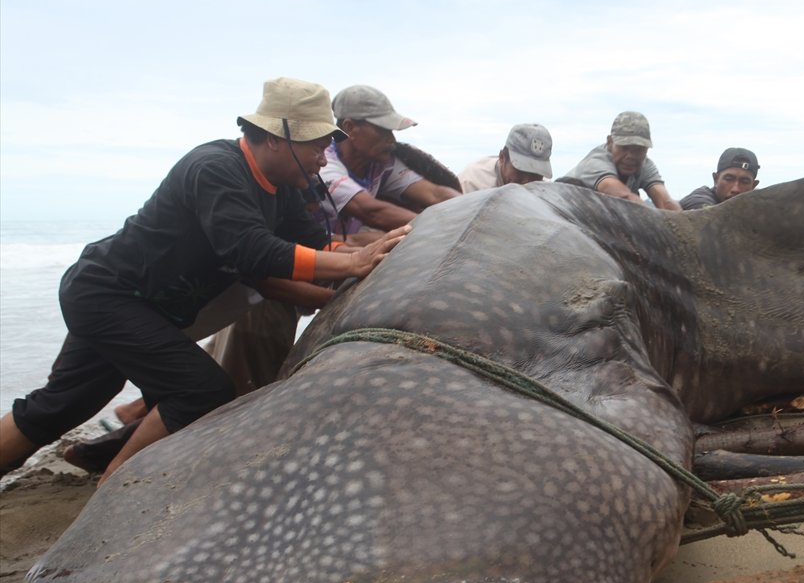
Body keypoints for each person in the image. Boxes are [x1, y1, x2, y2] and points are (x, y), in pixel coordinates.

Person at [0, 77, 406, 483]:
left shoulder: (282, 190)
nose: (323, 158)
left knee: (59, 406)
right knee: (201, 390)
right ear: (277, 139)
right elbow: (250, 249)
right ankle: (118, 483)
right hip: (108, 293)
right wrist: (353, 265)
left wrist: (379, 256)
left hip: (133, 303)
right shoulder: (215, 167)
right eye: (316, 146)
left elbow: (317, 244)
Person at [317, 84, 461, 237]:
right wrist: (444, 228)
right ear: (350, 127)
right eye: (382, 130)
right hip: (310, 252)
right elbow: (372, 211)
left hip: (339, 250)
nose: (391, 139)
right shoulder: (325, 165)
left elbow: (435, 194)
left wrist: (471, 207)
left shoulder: (380, 164)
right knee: (374, 240)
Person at [558, 111, 681, 210]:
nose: (631, 156)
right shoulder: (596, 162)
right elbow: (620, 194)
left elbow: (665, 202)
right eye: (625, 147)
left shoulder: (645, 165)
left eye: (638, 149)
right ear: (610, 142)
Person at [458, 124, 554, 193]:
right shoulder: (471, 183)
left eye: (535, 174)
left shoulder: (545, 190)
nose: (527, 181)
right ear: (502, 158)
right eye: (520, 171)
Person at [679, 148, 760, 210]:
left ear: (753, 186)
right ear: (716, 179)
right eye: (729, 179)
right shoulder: (698, 200)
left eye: (744, 182)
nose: (736, 189)